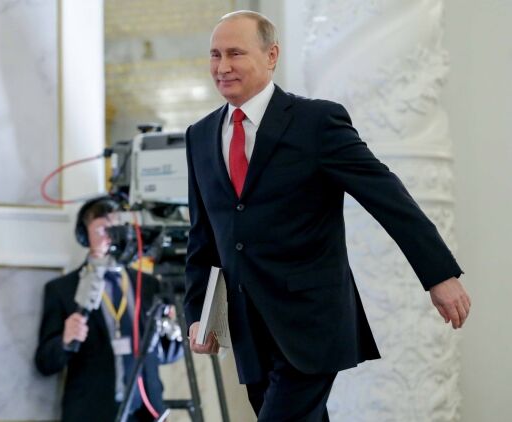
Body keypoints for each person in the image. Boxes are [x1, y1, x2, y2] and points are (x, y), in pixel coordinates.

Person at [183, 10, 471, 421]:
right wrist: (199, 314)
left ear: (271, 56)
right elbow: (203, 237)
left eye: (235, 53)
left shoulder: (316, 122)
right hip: (249, 330)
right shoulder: (199, 136)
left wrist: (439, 274)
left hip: (311, 321)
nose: (222, 66)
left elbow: (387, 197)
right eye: (215, 55)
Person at [35, 197, 182, 422]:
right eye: (102, 229)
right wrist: (65, 340)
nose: (111, 236)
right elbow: (45, 363)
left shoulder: (149, 285)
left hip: (145, 413)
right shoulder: (62, 289)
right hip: (90, 413)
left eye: (117, 228)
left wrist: (177, 331)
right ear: (85, 235)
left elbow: (164, 354)